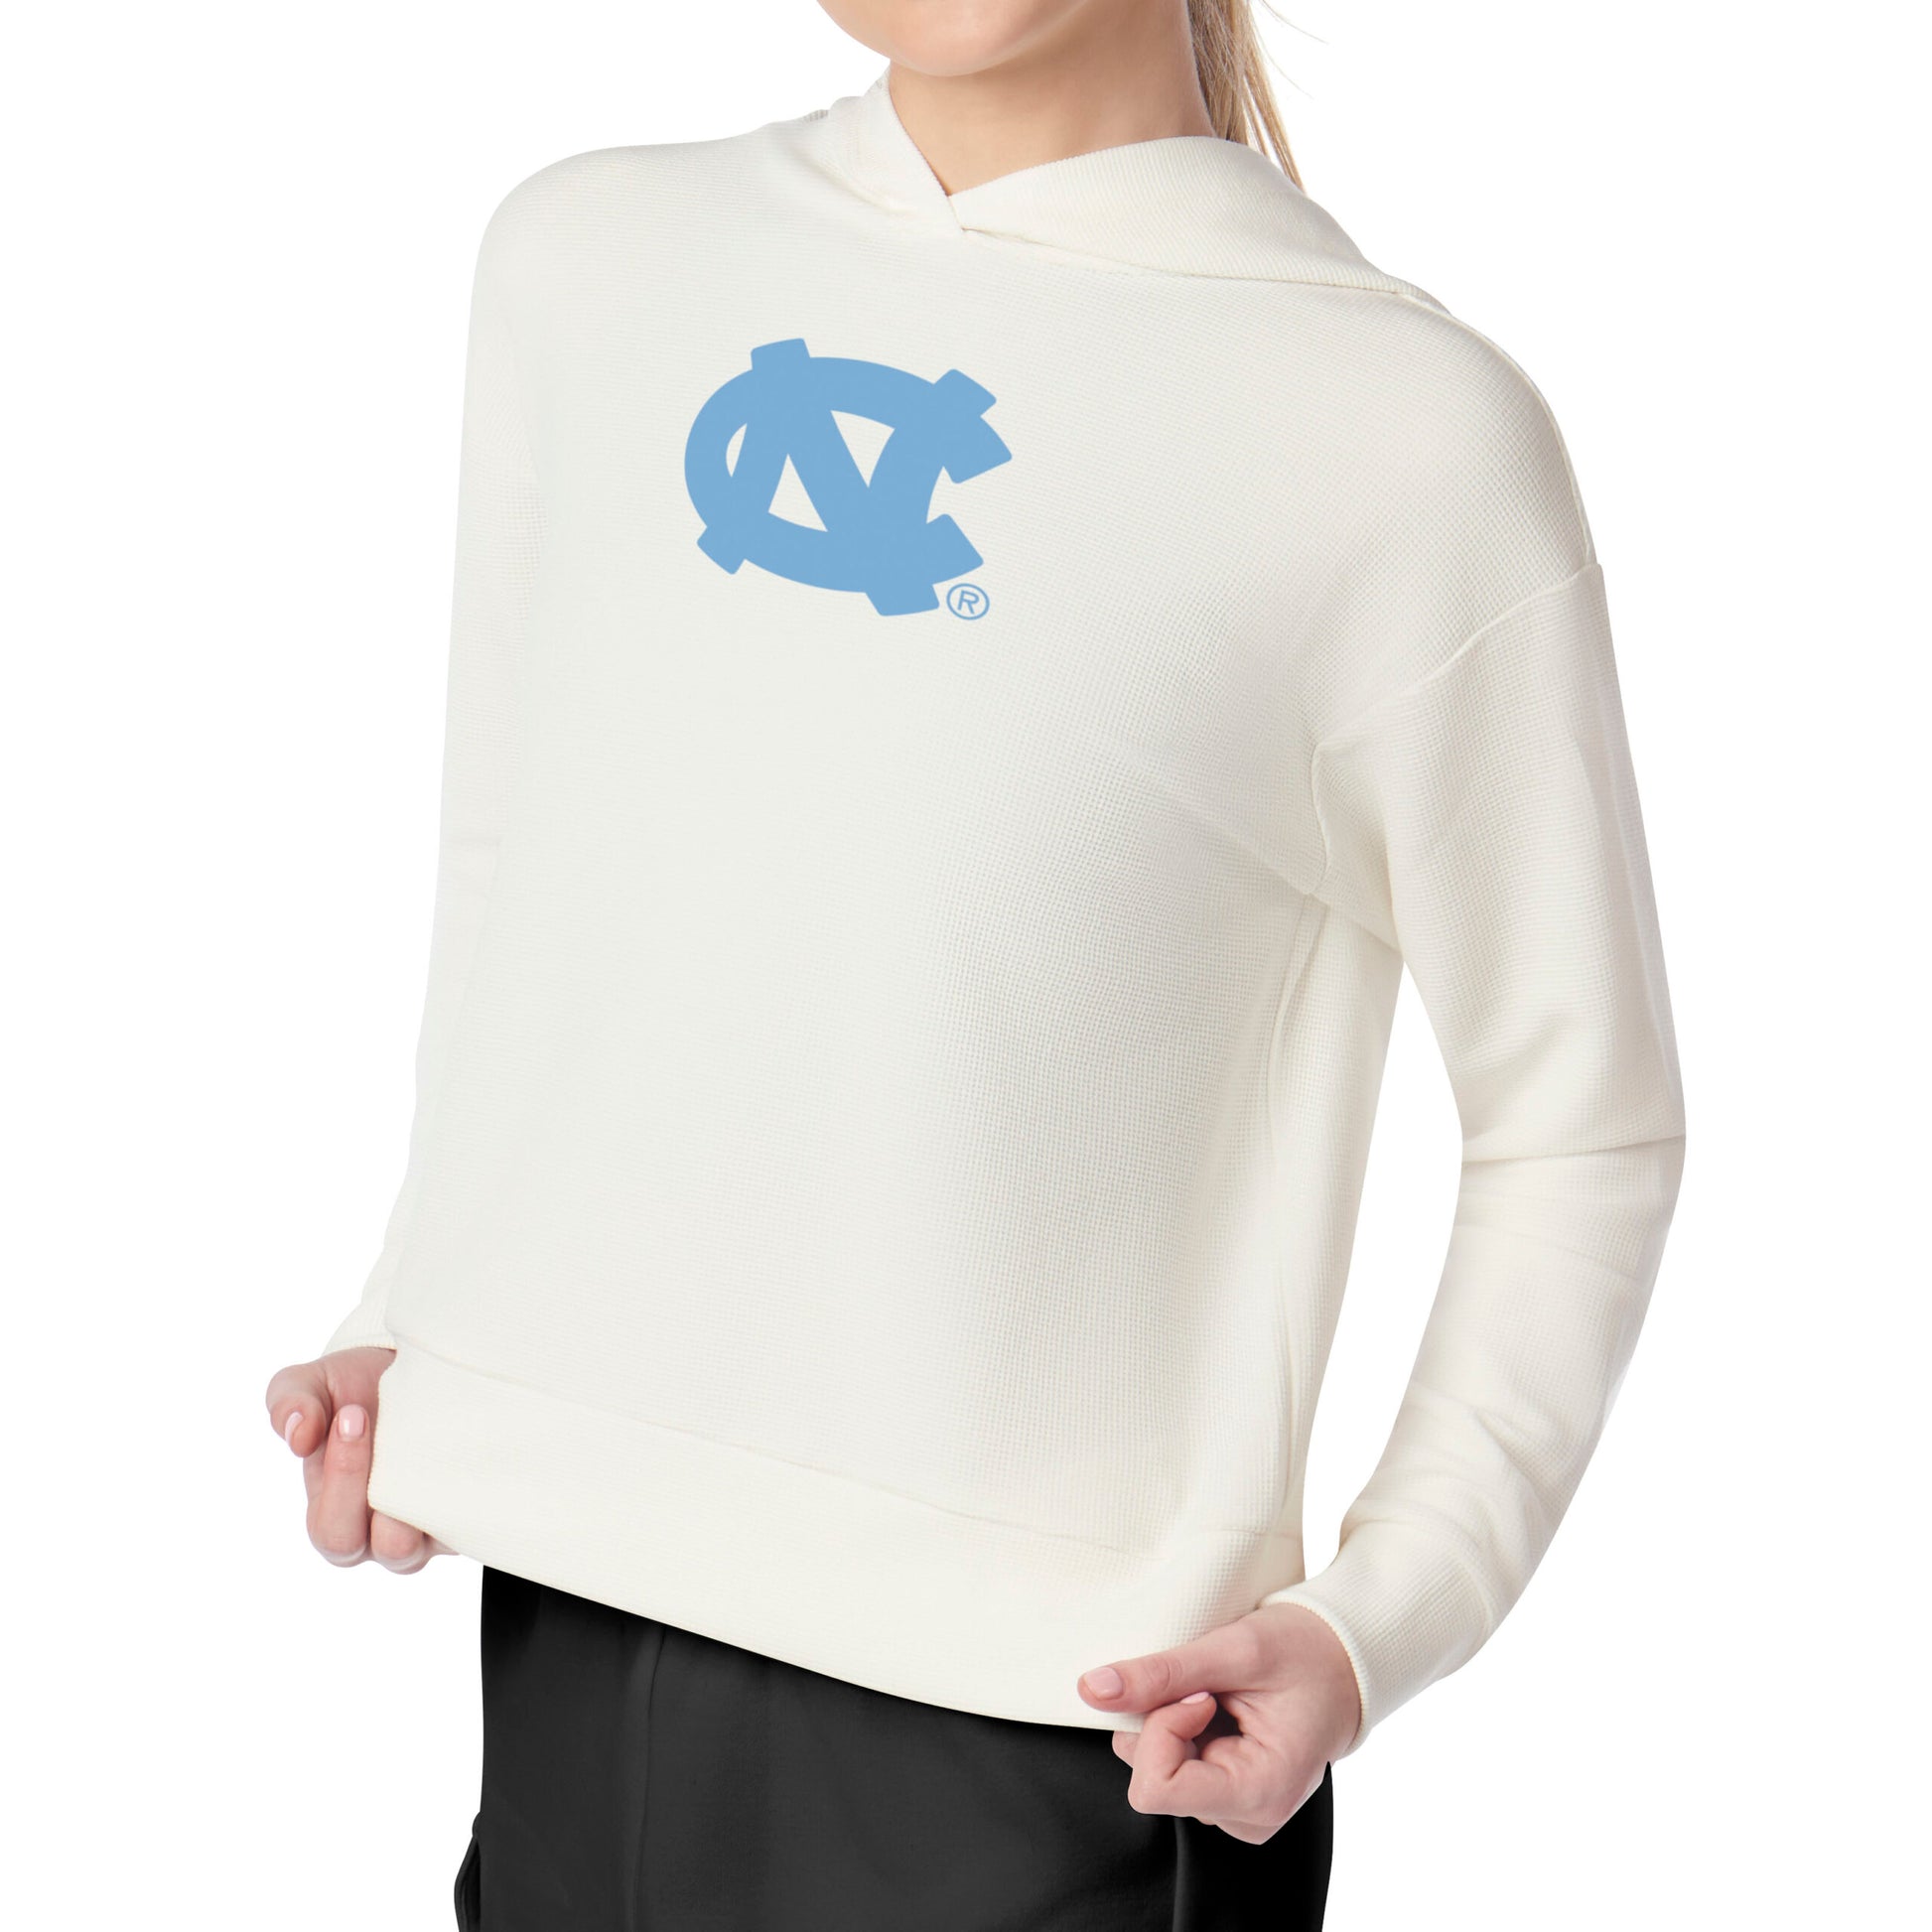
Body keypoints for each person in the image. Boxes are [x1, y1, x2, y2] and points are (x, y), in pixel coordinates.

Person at [264, 2, 1687, 1925]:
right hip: (575, 1632)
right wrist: (432, 1315)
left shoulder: (1390, 430)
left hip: (1062, 1727)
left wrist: (1383, 1612)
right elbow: (528, 855)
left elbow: (1577, 1123)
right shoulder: (588, 261)